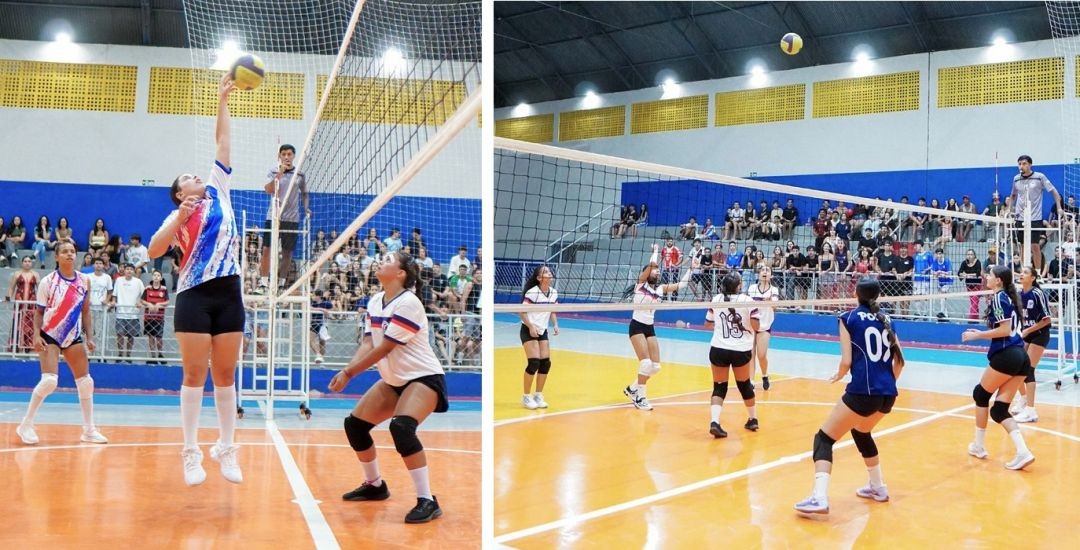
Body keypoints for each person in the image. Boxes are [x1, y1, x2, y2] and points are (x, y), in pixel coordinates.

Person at [148, 73, 244, 486]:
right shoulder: (178, 215)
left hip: (229, 292)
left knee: (225, 374)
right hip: (193, 296)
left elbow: (223, 143)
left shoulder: (218, 190)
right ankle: (190, 451)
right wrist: (181, 219)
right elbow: (154, 250)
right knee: (194, 375)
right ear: (178, 191)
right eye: (188, 176)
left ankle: (226, 447)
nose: (196, 176)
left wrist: (222, 98)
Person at [327, 251, 449, 523]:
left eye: (388, 258)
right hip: (395, 380)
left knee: (401, 427)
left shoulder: (409, 303)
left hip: (423, 377)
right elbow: (369, 343)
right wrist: (347, 369)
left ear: (401, 273)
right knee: (355, 425)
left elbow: (386, 347)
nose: (380, 260)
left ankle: (427, 499)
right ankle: (375, 485)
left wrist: (348, 374)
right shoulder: (375, 301)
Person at [793, 278, 904, 515]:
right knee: (861, 431)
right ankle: (878, 487)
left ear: (856, 293)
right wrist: (886, 384)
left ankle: (819, 498)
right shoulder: (888, 319)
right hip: (888, 394)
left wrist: (839, 375)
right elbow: (901, 361)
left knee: (823, 439)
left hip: (863, 391)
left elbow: (846, 360)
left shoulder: (848, 318)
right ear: (879, 296)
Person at [16, 240, 108, 445]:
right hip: (50, 334)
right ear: (56, 257)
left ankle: (89, 430)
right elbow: (38, 312)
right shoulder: (48, 281)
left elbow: (85, 312)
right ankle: (26, 424)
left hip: (72, 336)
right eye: (64, 252)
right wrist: (37, 335)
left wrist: (90, 337)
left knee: (86, 383)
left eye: (72, 251)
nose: (69, 254)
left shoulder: (85, 280)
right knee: (49, 381)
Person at [960, 265, 1036, 470]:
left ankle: (979, 445)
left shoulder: (998, 298)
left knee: (980, 394)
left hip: (1008, 356)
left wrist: (977, 335)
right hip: (1021, 357)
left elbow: (1004, 330)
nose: (986, 276)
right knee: (999, 410)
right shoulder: (1010, 298)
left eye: (990, 275)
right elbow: (1007, 329)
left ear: (999, 280)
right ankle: (1023, 452)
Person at [623, 244, 691, 411]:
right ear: (647, 273)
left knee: (655, 366)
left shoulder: (660, 289)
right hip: (637, 327)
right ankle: (640, 397)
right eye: (655, 270)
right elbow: (652, 265)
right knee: (645, 364)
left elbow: (681, 285)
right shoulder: (641, 285)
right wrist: (655, 251)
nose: (657, 271)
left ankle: (632, 389)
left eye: (659, 271)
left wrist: (691, 269)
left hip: (649, 328)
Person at [703, 271, 761, 438]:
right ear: (739, 286)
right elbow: (757, 326)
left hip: (718, 348)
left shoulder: (716, 300)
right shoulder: (748, 301)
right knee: (744, 385)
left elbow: (707, 324)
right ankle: (753, 419)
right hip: (740, 350)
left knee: (719, 386)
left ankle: (715, 422)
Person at [261, 143, 310, 288]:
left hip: (292, 218)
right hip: (274, 216)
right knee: (266, 249)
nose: (287, 157)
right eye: (284, 154)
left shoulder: (300, 174)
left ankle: (281, 283)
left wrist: (306, 208)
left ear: (294, 156)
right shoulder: (273, 171)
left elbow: (305, 193)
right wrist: (279, 173)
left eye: (289, 154)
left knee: (288, 253)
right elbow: (268, 190)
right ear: (279, 156)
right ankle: (263, 282)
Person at [1011, 267, 1051, 423]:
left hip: (1040, 334)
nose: (1021, 274)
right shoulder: (1019, 295)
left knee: (1028, 369)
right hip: (1026, 334)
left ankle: (1031, 411)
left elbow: (1047, 320)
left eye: (1025, 273)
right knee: (1016, 367)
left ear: (1033, 277)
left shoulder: (1037, 294)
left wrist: (1028, 331)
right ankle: (1023, 399)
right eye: (1021, 272)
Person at [519, 265, 559, 410]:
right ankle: (526, 396)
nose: (549, 273)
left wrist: (555, 324)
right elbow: (522, 312)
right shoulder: (533, 292)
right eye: (545, 272)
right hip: (528, 328)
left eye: (549, 271)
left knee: (545, 363)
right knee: (534, 362)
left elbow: (553, 310)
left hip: (542, 330)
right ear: (539, 278)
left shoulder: (553, 292)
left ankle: (538, 395)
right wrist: (531, 326)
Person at [1010, 155, 1063, 247]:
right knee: (1022, 246)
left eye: (1024, 164)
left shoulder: (1040, 177)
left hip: (1035, 217)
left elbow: (1054, 192)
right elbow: (1013, 195)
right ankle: (1024, 262)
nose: (1021, 166)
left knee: (1035, 246)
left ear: (1030, 165)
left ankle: (1037, 262)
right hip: (1020, 217)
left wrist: (1059, 207)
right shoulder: (1016, 178)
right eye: (1019, 164)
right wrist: (1009, 209)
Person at [746, 264, 780, 390]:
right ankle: (751, 381)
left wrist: (769, 300)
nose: (765, 272)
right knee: (750, 354)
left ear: (771, 275)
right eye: (762, 270)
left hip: (765, 326)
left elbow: (775, 305)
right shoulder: (752, 288)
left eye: (767, 270)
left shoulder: (774, 290)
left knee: (761, 355)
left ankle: (765, 375)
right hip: (751, 324)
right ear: (758, 274)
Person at [110, 264, 144, 362]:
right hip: (120, 313)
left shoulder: (138, 282)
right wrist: (113, 301)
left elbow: (144, 295)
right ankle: (120, 354)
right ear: (124, 270)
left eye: (131, 269)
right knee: (120, 334)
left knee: (130, 336)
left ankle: (128, 354)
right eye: (127, 269)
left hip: (133, 313)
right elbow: (114, 294)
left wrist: (140, 302)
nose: (129, 271)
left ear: (134, 271)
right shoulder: (119, 280)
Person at [6, 255, 39, 353]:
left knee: (30, 324)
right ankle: (15, 347)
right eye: (25, 261)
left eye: (29, 261)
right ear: (22, 263)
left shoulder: (35, 274)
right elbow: (11, 288)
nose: (27, 263)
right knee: (17, 323)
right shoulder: (17, 274)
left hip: (31, 303)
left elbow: (40, 288)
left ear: (31, 263)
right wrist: (8, 297)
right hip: (19, 303)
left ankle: (28, 347)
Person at [140, 270, 169, 364]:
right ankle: (153, 357)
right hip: (148, 317)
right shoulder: (147, 289)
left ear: (161, 278)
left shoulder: (164, 289)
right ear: (152, 277)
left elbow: (167, 302)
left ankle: (160, 354)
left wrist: (158, 304)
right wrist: (149, 304)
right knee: (151, 337)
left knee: (159, 337)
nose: (156, 277)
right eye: (155, 275)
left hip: (159, 318)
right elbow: (142, 300)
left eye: (158, 275)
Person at [310, 289, 334, 364]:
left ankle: (321, 359)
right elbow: (309, 308)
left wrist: (328, 313)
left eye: (314, 295)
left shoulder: (326, 303)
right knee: (310, 340)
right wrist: (322, 309)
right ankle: (318, 354)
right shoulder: (312, 303)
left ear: (318, 296)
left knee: (322, 343)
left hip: (323, 324)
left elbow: (332, 309)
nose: (312, 297)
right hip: (314, 323)